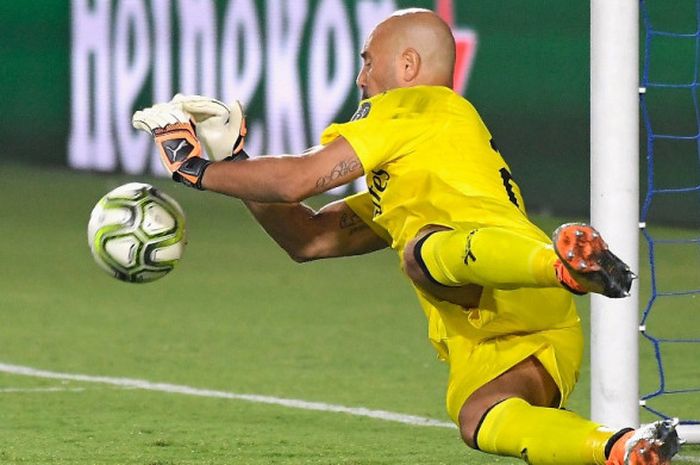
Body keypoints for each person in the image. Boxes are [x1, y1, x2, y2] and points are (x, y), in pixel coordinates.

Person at [133, 8, 681, 465]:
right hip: (524, 326)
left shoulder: (415, 106)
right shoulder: (414, 172)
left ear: (408, 65)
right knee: (481, 417)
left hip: (513, 270)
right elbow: (310, 239)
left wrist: (194, 168)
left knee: (421, 253)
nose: (360, 78)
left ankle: (562, 263)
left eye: (367, 62)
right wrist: (234, 161)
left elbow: (299, 177)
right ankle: (617, 447)